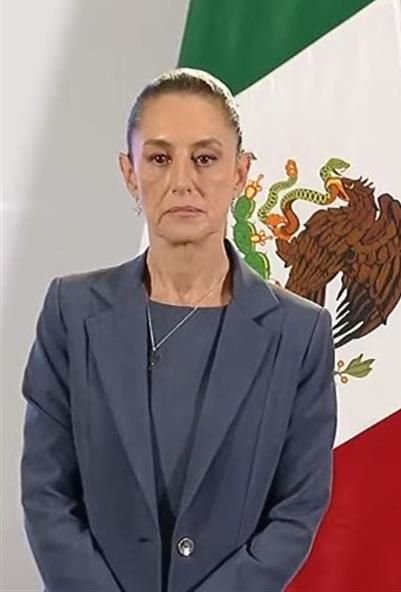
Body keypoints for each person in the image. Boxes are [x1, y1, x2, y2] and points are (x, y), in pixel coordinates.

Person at [20, 68, 337, 591]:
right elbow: (47, 493)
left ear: (240, 174)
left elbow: (297, 509)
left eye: (206, 158)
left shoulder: (299, 333)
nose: (183, 181)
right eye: (160, 158)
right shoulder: (70, 313)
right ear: (130, 172)